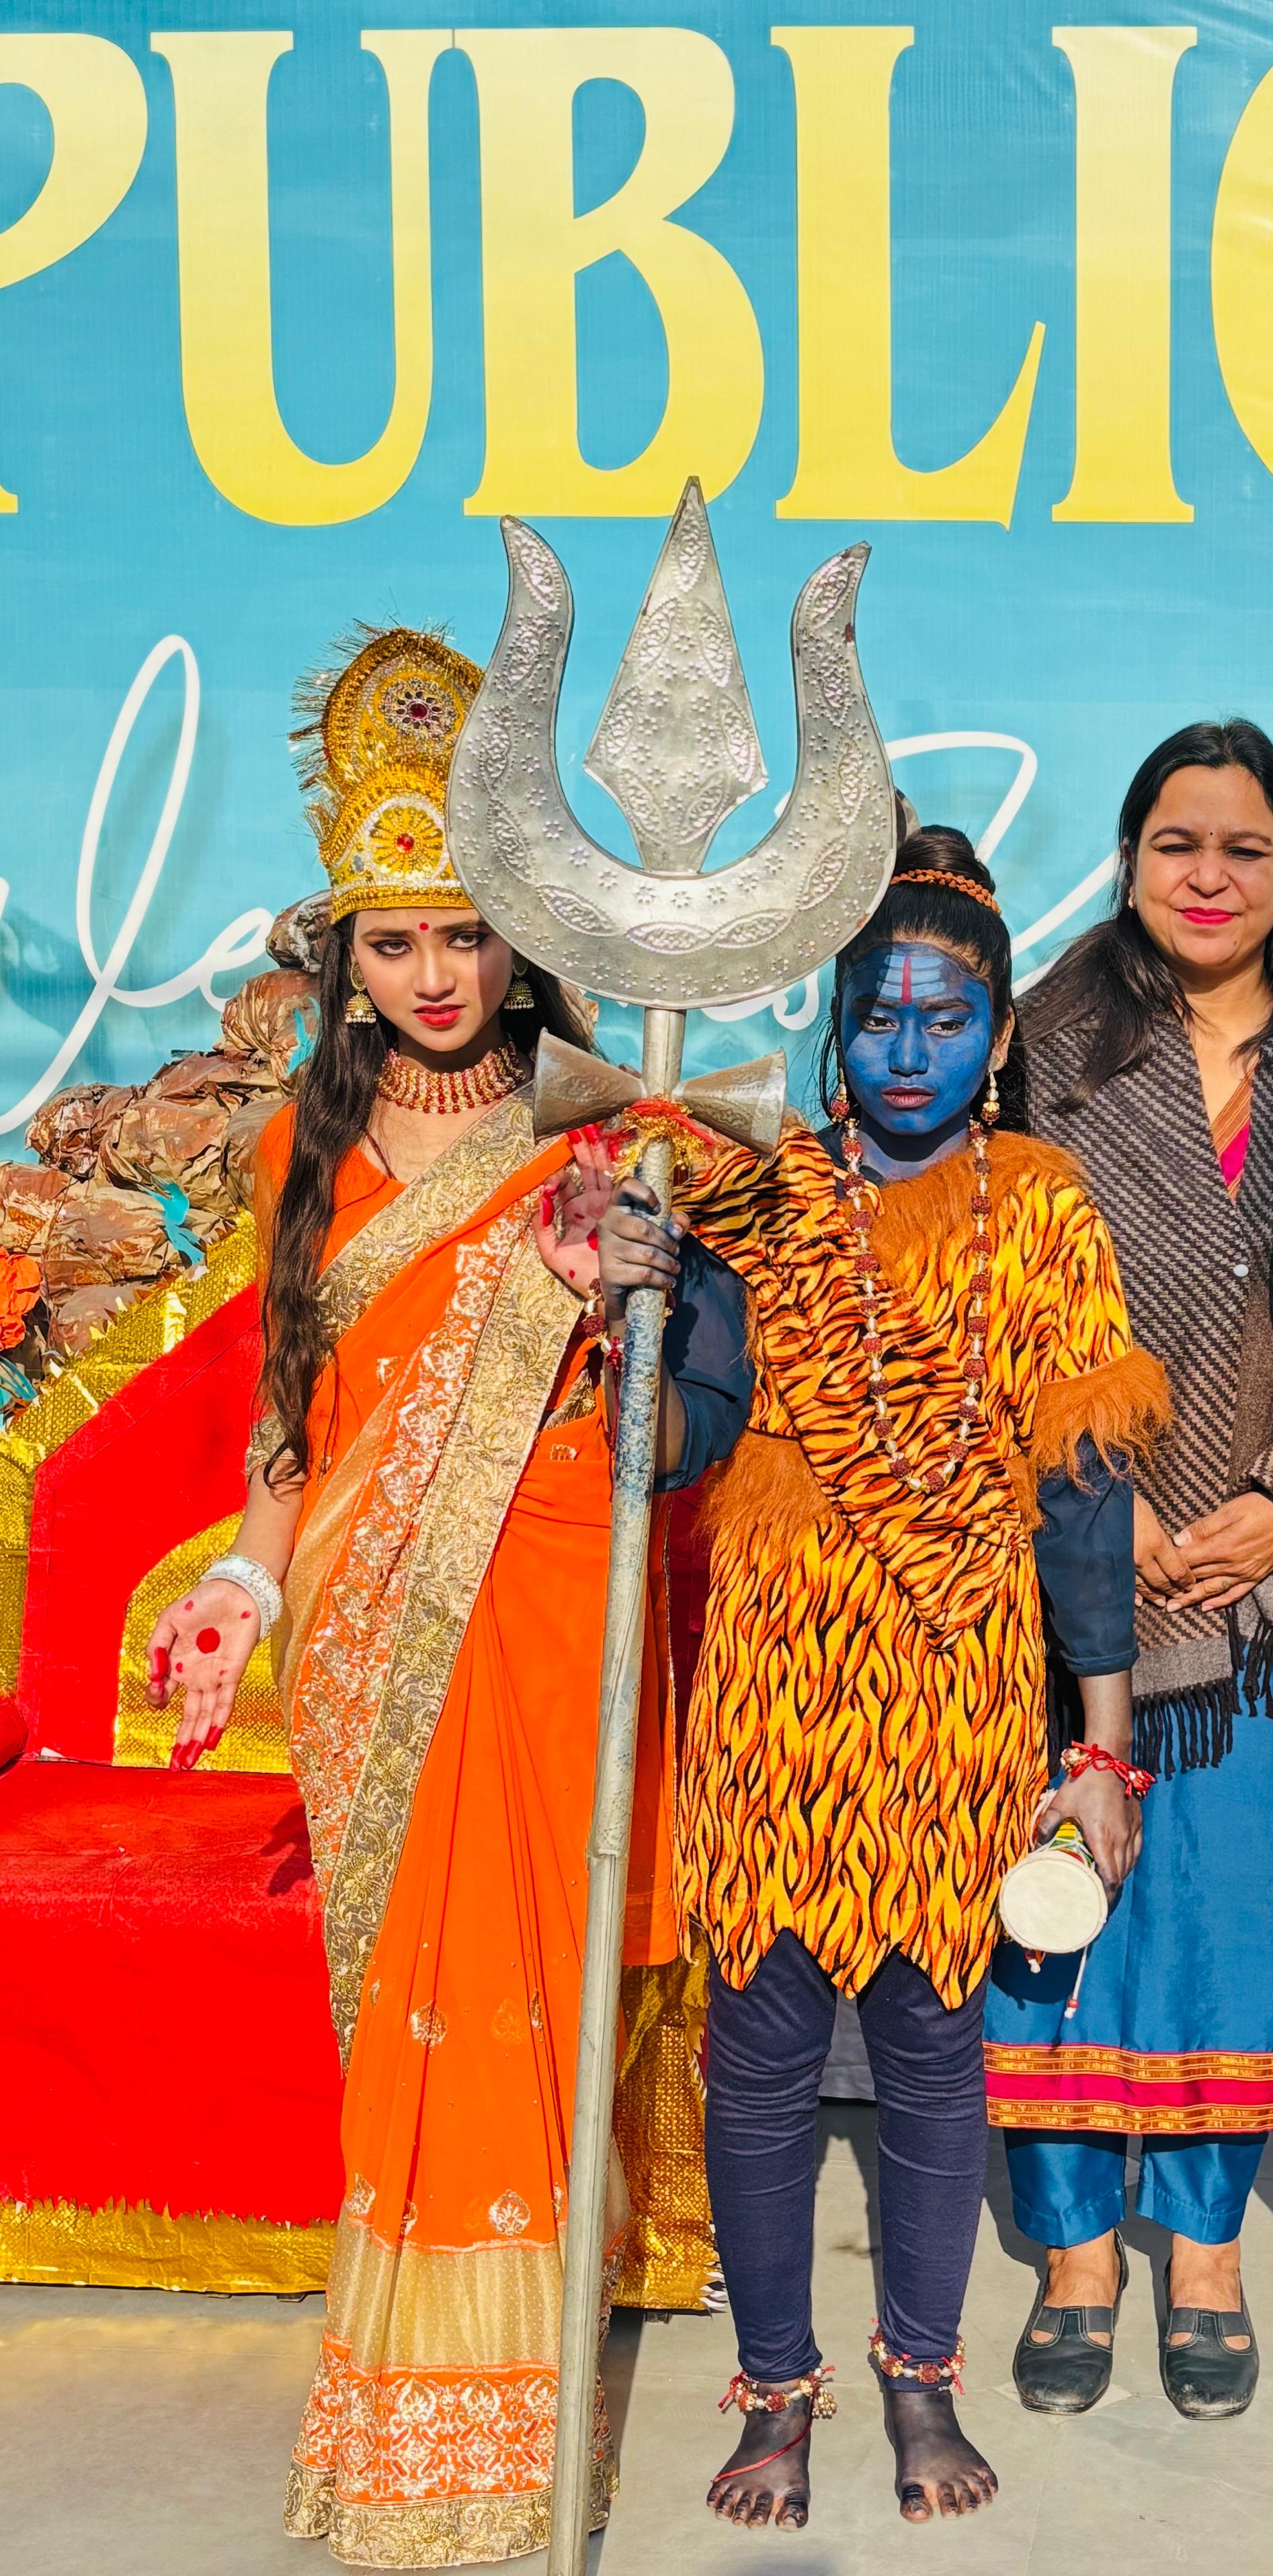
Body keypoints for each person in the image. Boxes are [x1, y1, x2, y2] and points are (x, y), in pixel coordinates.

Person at [145, 630, 749, 2567]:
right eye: (396, 941)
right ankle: (410, 2409)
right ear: (346, 958)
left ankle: (511, 2415)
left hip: (549, 1588)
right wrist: (246, 1585)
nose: (434, 974)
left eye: (468, 936)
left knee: (519, 1997)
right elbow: (292, 1421)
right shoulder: (301, 1147)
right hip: (367, 1629)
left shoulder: (595, 1125)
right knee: (409, 2007)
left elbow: (676, 1395)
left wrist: (624, 1275)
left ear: (520, 942)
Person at [598, 826, 1169, 2533]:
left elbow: (1085, 1501)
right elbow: (690, 1434)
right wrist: (633, 1314)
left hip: (955, 1671)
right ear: (836, 1025)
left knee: (933, 2045)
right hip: (777, 1676)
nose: (907, 1049)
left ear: (999, 1035)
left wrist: (1102, 1749)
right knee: (763, 2044)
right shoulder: (765, 1196)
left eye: (945, 1017)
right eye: (877, 1015)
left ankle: (923, 2375)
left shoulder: (1043, 1206)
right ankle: (776, 2388)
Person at [981, 723, 1273, 2420]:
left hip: (1255, 1585)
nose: (1207, 875)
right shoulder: (1043, 1047)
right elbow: (978, 1304)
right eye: (1176, 842)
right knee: (1060, 1913)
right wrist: (1096, 1513)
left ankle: (1207, 2253)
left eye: (1243, 847)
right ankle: (1076, 2255)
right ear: (1130, 859)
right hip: (1071, 1554)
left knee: (1226, 1921)